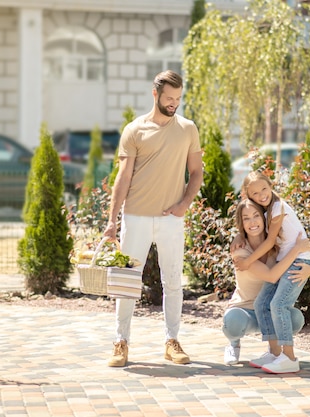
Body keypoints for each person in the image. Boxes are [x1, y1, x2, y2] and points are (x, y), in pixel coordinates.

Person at [102, 70, 203, 367]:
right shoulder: (135, 130)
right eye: (169, 98)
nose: (174, 104)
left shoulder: (187, 129)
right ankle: (121, 342)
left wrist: (184, 203)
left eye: (179, 99)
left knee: (173, 281)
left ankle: (172, 341)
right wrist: (112, 220)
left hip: (172, 218)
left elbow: (196, 172)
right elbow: (123, 177)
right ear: (155, 93)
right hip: (135, 216)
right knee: (127, 282)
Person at [232, 170, 310, 373]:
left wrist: (248, 260)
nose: (261, 195)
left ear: (271, 185)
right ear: (248, 196)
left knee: (278, 304)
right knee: (262, 303)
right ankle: (275, 352)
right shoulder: (268, 211)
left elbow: (270, 241)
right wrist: (237, 236)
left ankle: (289, 358)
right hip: (287, 261)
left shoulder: (278, 207)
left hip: (298, 261)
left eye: (264, 189)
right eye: (255, 194)